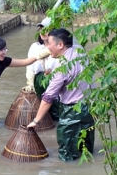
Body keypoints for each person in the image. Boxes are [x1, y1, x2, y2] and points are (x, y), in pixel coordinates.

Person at [27, 28, 95, 162]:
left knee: (67, 152)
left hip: (71, 111)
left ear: (60, 45)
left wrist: (36, 121)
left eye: (49, 44)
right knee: (86, 149)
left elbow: (48, 97)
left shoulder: (62, 67)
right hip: (90, 107)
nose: (47, 47)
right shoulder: (81, 52)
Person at [25, 17, 60, 120]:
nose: (43, 32)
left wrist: (52, 73)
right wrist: (30, 84)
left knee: (56, 112)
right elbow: (30, 67)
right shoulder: (35, 47)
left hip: (53, 82)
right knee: (41, 112)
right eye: (41, 29)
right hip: (38, 82)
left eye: (46, 29)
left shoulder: (59, 48)